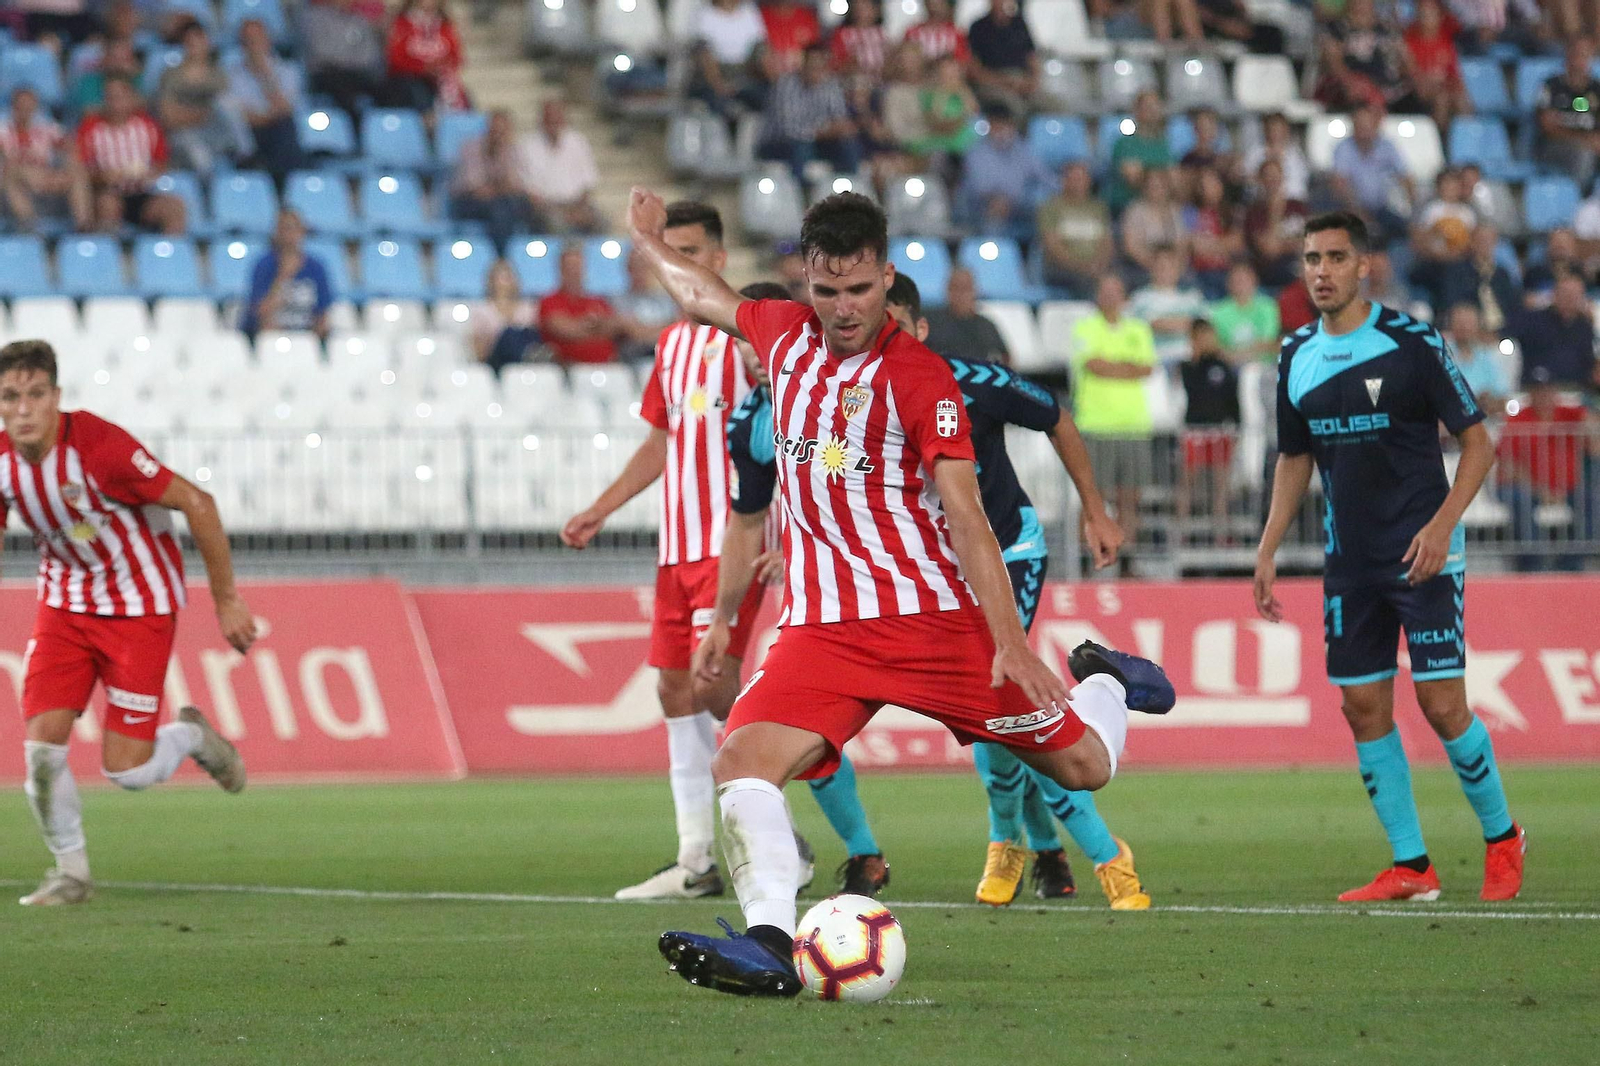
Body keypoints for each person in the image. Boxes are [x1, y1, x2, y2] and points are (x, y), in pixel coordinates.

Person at [630, 186, 1174, 996]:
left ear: (886, 276)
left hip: (933, 624)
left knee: (1083, 768)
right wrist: (647, 241)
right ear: (805, 280)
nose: (843, 309)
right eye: (827, 290)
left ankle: (1106, 681)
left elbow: (966, 519)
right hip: (824, 634)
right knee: (741, 762)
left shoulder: (921, 380)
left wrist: (1013, 644)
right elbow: (701, 294)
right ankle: (770, 944)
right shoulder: (781, 336)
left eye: (859, 289)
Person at [1255, 211, 1523, 904]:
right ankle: (1413, 866)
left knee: (1441, 706)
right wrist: (1268, 546)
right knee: (1363, 709)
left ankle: (1502, 838)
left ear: (1363, 266)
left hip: (1423, 555)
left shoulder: (1411, 343)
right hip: (1351, 563)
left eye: (1335, 258)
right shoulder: (1295, 356)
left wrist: (1441, 528)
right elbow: (1294, 456)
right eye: (1311, 258)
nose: (1321, 271)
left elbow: (1478, 443)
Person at [884, 274, 1145, 909]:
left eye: (893, 327)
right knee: (987, 707)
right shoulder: (851, 401)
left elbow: (1055, 415)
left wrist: (1095, 508)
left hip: (1011, 553)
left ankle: (1088, 852)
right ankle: (1041, 845)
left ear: (918, 330)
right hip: (941, 573)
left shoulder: (975, 382)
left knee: (999, 694)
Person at [0, 340, 257, 907]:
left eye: (35, 395)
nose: (22, 409)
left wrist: (227, 600)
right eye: (10, 397)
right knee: (42, 751)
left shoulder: (99, 446)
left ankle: (192, 735)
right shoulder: (2, 460)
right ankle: (71, 873)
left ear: (56, 398)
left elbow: (199, 502)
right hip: (64, 605)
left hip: (139, 609)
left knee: (128, 771)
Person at [560, 203, 762, 900]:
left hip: (729, 539)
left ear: (720, 257)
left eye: (692, 251)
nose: (680, 263)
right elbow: (660, 441)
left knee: (712, 684)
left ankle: (774, 832)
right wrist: (600, 508)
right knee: (674, 689)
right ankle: (698, 858)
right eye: (669, 251)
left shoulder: (746, 340)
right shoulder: (672, 346)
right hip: (676, 546)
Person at [696, 278, 893, 899]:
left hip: (903, 583)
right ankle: (853, 855)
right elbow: (746, 521)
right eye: (740, 340)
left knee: (1029, 733)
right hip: (821, 600)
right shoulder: (753, 422)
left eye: (757, 336)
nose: (752, 351)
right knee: (791, 727)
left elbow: (874, 476)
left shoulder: (846, 389)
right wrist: (723, 619)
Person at [1071, 275, 1156, 560]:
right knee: (1093, 497)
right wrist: (1127, 367)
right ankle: (1086, 557)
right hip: (1096, 425)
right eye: (1105, 291)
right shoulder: (1085, 327)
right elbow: (1094, 365)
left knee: (1130, 499)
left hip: (1133, 426)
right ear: (1097, 295)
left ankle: (1126, 557)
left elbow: (1146, 368)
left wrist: (1112, 366)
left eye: (1115, 291)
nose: (1110, 297)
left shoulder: (1138, 328)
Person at [1496, 375, 1598, 572]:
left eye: (1549, 390)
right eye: (1539, 390)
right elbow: (1508, 466)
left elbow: (1595, 444)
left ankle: (1569, 565)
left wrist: (1589, 417)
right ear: (1531, 393)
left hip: (1567, 487)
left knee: (1594, 502)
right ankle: (1533, 565)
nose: (1545, 395)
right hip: (1525, 487)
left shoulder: (1569, 414)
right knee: (1519, 500)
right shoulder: (1518, 420)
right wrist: (1541, 491)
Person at [75, 76, 186, 235]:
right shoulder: (90, 128)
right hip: (106, 192)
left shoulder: (148, 126)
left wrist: (148, 173)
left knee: (174, 206)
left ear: (131, 99)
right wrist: (102, 177)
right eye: (110, 97)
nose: (115, 103)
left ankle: (169, 255)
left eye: (119, 97)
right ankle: (108, 253)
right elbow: (80, 168)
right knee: (108, 204)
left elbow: (161, 162)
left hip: (141, 193)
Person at [758, 45, 862, 185]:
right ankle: (800, 195)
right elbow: (789, 130)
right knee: (801, 147)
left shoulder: (830, 85)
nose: (817, 70)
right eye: (813, 65)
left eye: (821, 66)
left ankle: (848, 192)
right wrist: (824, 131)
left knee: (848, 145)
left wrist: (841, 129)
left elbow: (840, 119)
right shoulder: (786, 85)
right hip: (777, 144)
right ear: (803, 65)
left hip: (816, 142)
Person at [1177, 319, 1240, 540]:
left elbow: (1233, 398)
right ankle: (1181, 534)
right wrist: (1197, 357)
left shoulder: (1223, 366)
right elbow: (1191, 392)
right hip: (1195, 431)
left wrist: (1236, 426)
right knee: (1188, 483)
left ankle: (1221, 535)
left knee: (1221, 486)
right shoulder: (1187, 367)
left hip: (1219, 431)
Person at [157, 19, 242, 179]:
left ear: (207, 42)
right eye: (190, 41)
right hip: (185, 135)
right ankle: (208, 195)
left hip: (216, 133)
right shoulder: (171, 76)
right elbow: (168, 117)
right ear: (183, 44)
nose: (195, 45)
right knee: (200, 157)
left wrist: (198, 114)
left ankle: (246, 155)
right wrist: (205, 114)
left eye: (199, 40)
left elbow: (229, 112)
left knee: (227, 103)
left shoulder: (218, 74)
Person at [0, 87, 90, 232]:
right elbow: (7, 162)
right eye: (20, 105)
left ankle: (83, 226)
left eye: (28, 105)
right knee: (14, 172)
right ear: (13, 106)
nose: (25, 109)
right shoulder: (3, 130)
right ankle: (29, 227)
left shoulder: (47, 128)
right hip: (10, 187)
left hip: (46, 181)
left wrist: (62, 170)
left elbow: (71, 148)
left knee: (77, 170)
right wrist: (29, 173)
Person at [957, 106, 1053, 241]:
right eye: (997, 125)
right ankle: (994, 256)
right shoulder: (977, 152)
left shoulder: (1024, 149)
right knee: (996, 209)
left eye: (1004, 125)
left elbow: (1048, 181)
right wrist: (1003, 199)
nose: (1001, 130)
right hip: (981, 207)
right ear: (989, 127)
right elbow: (980, 187)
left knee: (1044, 206)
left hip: (1020, 205)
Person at [228, 18, 305, 181]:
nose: (253, 45)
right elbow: (241, 116)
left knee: (285, 128)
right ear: (242, 45)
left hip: (280, 132)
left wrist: (265, 75)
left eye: (257, 40)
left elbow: (286, 107)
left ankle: (283, 181)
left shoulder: (288, 70)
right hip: (250, 136)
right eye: (248, 41)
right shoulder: (232, 76)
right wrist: (270, 117)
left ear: (268, 41)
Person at [451, 109, 538, 253]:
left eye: (502, 131)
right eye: (495, 129)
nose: (498, 134)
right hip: (467, 201)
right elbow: (477, 188)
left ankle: (527, 257)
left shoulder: (512, 150)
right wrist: (503, 187)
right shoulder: (472, 148)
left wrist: (502, 156)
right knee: (500, 210)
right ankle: (502, 255)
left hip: (501, 200)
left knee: (527, 206)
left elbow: (516, 183)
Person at [240, 210, 334, 340]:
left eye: (293, 229)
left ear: (302, 232)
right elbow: (260, 313)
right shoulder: (264, 265)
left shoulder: (316, 268)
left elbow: (322, 313)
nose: (289, 235)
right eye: (284, 229)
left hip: (306, 337)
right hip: (272, 337)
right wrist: (283, 276)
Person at [519, 101, 601, 234]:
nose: (554, 124)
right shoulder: (527, 146)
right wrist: (559, 212)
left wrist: (579, 209)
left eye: (557, 120)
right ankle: (568, 254)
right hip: (546, 207)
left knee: (601, 220)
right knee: (557, 224)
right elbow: (528, 190)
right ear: (542, 121)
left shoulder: (578, 142)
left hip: (576, 204)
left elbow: (588, 183)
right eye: (549, 120)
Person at [1037, 161, 1114, 300]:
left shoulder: (1098, 208)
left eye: (1082, 179)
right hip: (1061, 268)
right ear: (1064, 180)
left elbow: (1107, 242)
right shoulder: (1051, 207)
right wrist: (1082, 267)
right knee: (1087, 283)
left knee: (1117, 279)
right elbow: (1053, 246)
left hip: (1096, 267)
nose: (1078, 183)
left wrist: (1099, 264)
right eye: (1074, 179)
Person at [1510, 273, 1600, 391]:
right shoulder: (1533, 321)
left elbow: (1588, 362)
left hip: (1577, 391)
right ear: (1554, 294)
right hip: (1539, 390)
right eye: (1565, 293)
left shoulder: (1584, 327)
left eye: (1575, 295)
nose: (1570, 298)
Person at [304, 0, 390, 119]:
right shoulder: (316, 18)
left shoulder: (360, 20)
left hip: (357, 72)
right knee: (342, 86)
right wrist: (349, 59)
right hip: (327, 73)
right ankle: (353, 130)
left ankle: (388, 128)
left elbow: (370, 54)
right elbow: (322, 52)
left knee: (391, 87)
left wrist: (349, 60)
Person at [1535, 37, 1600, 190]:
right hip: (1555, 147)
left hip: (1592, 145)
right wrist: (1584, 140)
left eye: (1585, 56)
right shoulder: (1551, 86)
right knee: (1583, 154)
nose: (1580, 61)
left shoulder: (1596, 90)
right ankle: (1577, 202)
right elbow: (1548, 128)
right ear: (1568, 56)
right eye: (1577, 54)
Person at [1130, 245, 1206, 366]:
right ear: (1152, 269)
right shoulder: (1140, 299)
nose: (1165, 271)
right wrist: (1186, 323)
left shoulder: (1192, 297)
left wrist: (1160, 323)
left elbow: (1202, 328)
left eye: (1170, 266)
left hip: (1188, 359)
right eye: (1161, 266)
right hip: (1154, 360)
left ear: (1178, 269)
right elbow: (1140, 328)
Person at [387, 0, 466, 112]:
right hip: (409, 79)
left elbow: (456, 57)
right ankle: (428, 124)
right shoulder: (402, 23)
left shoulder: (445, 25)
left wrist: (440, 67)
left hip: (440, 78)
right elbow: (395, 59)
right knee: (420, 96)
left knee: (462, 98)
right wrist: (423, 68)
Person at [1245, 157, 1309, 290]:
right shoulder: (1255, 212)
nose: (1272, 180)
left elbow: (1310, 242)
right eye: (1267, 176)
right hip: (1273, 274)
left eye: (1276, 175)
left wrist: (1283, 245)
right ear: (1260, 180)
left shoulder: (1298, 206)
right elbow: (1269, 250)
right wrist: (1275, 212)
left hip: (1301, 270)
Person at [922, 267, 1008, 364]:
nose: (961, 294)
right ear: (947, 290)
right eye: (956, 288)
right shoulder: (930, 323)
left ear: (975, 291)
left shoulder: (986, 326)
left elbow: (1006, 357)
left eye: (966, 288)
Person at [966, 0, 1039, 113]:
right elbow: (974, 69)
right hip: (992, 83)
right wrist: (1004, 82)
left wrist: (1032, 81)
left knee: (1051, 104)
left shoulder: (1019, 24)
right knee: (1014, 106)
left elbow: (1032, 58)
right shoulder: (978, 27)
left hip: (1021, 79)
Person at [470, 259, 541, 373]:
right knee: (509, 334)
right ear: (491, 280)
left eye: (509, 276)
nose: (506, 281)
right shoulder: (482, 310)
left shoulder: (528, 308)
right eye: (501, 276)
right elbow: (480, 353)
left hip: (526, 359)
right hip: (497, 363)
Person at [1120, 168, 1191, 280]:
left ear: (1166, 187)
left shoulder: (1174, 210)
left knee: (1190, 280)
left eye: (1160, 186)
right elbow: (1131, 247)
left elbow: (1182, 244)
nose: (1156, 190)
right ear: (1145, 188)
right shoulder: (1135, 210)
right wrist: (1156, 266)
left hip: (1172, 265)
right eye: (1152, 186)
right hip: (1143, 266)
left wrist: (1175, 266)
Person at [1107, 91, 1171, 214]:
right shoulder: (1123, 144)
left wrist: (1145, 170)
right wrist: (1159, 174)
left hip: (1159, 209)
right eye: (1148, 107)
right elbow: (1133, 178)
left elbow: (1173, 179)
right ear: (1137, 110)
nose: (1153, 111)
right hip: (1126, 208)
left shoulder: (1164, 145)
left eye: (1155, 107)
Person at [1441, 303, 1510, 414]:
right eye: (1460, 323)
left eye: (1468, 323)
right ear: (1450, 325)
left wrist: (1489, 401)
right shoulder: (1440, 354)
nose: (1464, 327)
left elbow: (1503, 398)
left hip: (1483, 420)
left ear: (1478, 326)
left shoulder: (1487, 357)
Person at [1209, 262, 1281, 365]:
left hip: (1264, 366)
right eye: (1236, 281)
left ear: (1254, 280)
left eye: (1244, 280)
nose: (1240, 284)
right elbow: (1218, 348)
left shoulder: (1268, 306)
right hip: (1231, 366)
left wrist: (1238, 355)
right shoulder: (1219, 311)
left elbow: (1268, 343)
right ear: (1228, 283)